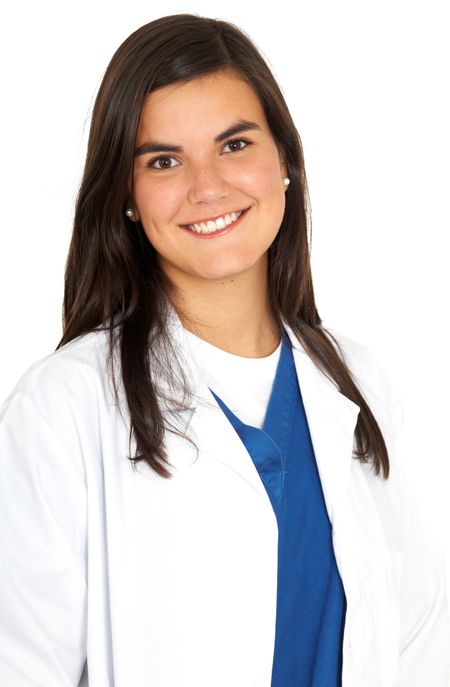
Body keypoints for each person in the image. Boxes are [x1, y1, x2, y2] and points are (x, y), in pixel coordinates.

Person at [0, 13, 448, 687]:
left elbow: (418, 647)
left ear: (286, 162)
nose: (207, 187)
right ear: (126, 194)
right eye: (164, 160)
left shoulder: (362, 387)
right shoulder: (63, 406)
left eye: (235, 145)